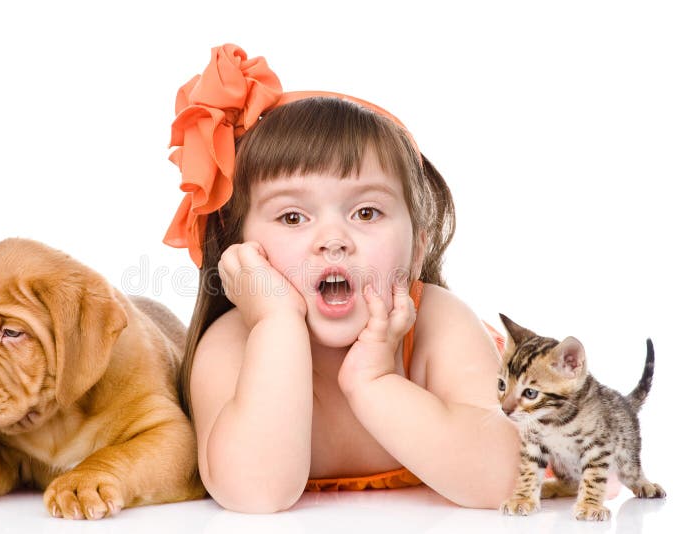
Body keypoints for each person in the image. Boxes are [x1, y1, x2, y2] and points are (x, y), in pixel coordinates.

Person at [163, 44, 520, 513]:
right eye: (292, 217)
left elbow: (505, 479)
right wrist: (276, 324)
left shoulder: (438, 325)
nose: (333, 239)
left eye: (366, 212)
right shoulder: (234, 343)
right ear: (241, 250)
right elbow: (255, 493)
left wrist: (372, 380)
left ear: (418, 249)